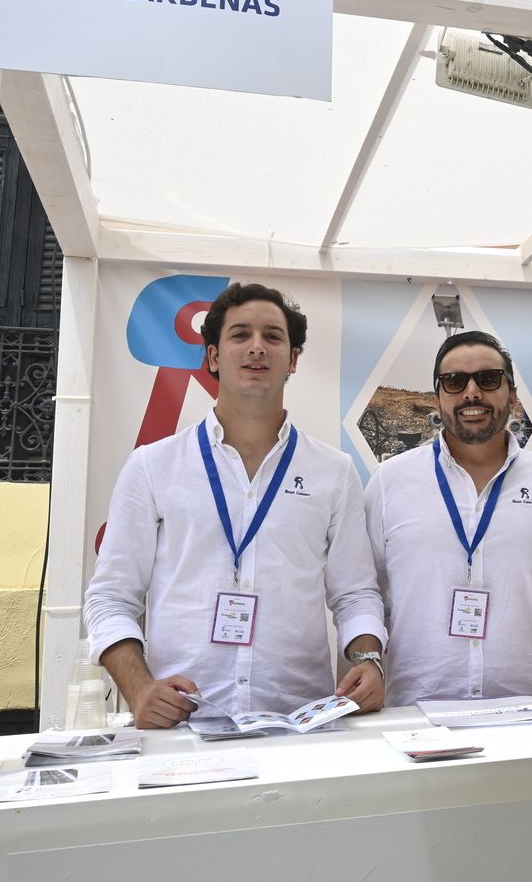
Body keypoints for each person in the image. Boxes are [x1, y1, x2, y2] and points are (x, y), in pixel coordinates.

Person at [85, 283, 386, 727]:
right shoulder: (153, 465)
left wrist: (368, 659)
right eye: (240, 335)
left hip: (298, 722)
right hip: (184, 721)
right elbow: (111, 598)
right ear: (212, 357)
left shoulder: (334, 471)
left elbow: (355, 593)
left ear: (294, 359)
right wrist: (139, 688)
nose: (257, 348)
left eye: (273, 336)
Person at [366, 329, 532, 705]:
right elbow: (367, 590)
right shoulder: (389, 482)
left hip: (531, 706)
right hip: (420, 709)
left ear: (512, 396)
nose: (471, 392)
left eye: (488, 379)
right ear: (438, 398)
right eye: (454, 381)